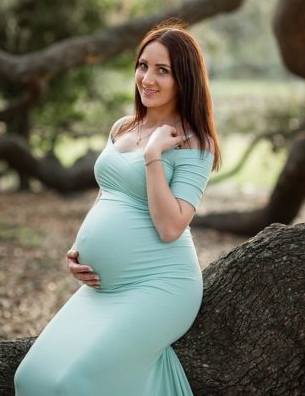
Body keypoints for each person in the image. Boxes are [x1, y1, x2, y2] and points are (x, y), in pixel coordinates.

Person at [13, 23, 221, 395]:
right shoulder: (124, 126)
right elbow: (108, 194)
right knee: (28, 378)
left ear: (185, 79)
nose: (147, 78)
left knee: (72, 384)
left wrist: (154, 154)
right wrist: (79, 251)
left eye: (163, 70)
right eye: (143, 65)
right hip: (102, 289)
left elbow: (171, 227)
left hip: (160, 287)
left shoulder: (193, 143)